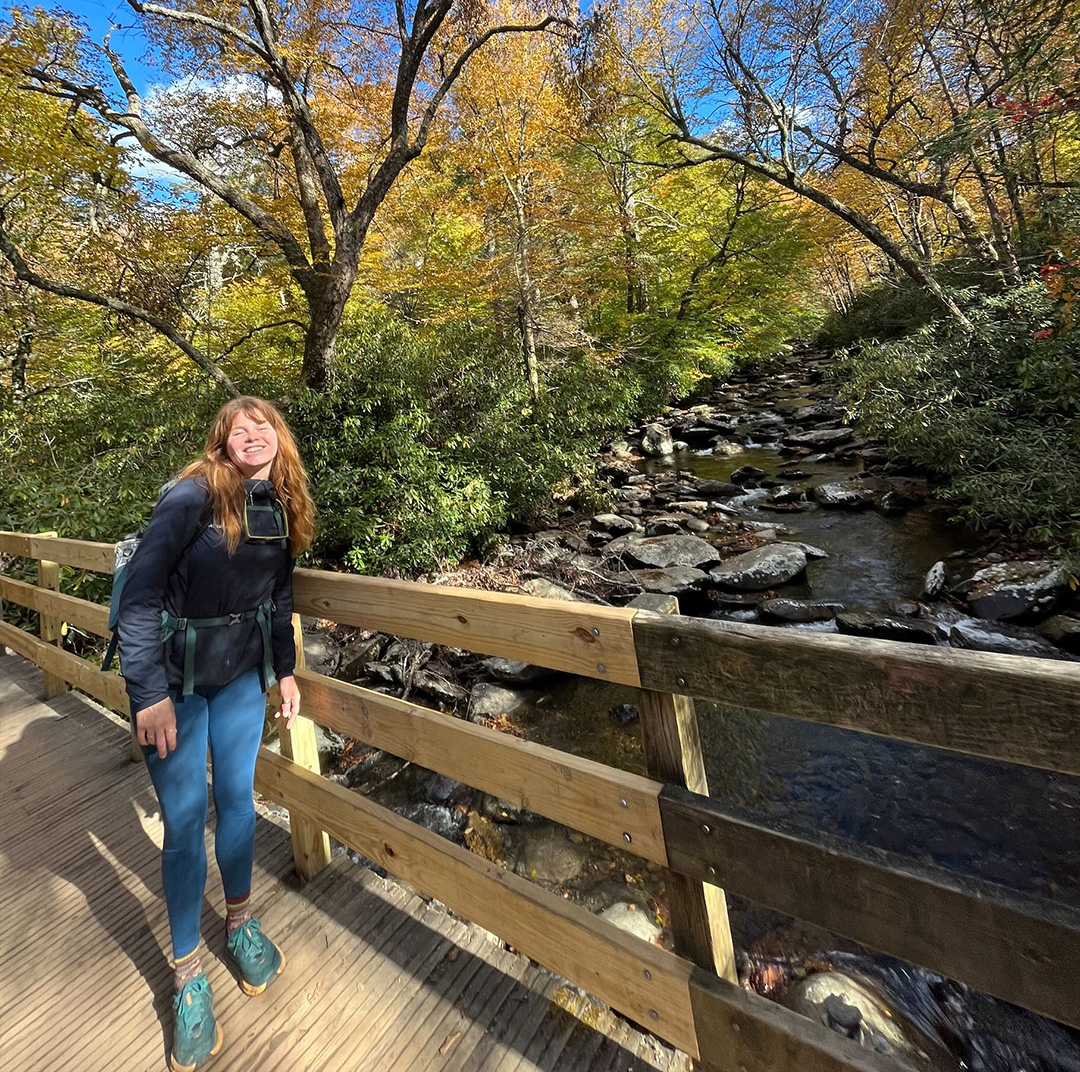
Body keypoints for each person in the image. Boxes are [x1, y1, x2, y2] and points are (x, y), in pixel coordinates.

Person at [116, 396, 315, 1072]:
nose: (254, 433)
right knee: (183, 819)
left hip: (238, 679)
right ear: (222, 440)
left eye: (266, 425)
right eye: (241, 426)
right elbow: (139, 597)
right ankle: (187, 973)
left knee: (237, 800)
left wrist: (284, 673)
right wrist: (148, 696)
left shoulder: (279, 502)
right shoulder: (191, 496)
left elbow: (278, 596)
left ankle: (239, 922)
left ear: (278, 440)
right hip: (172, 685)